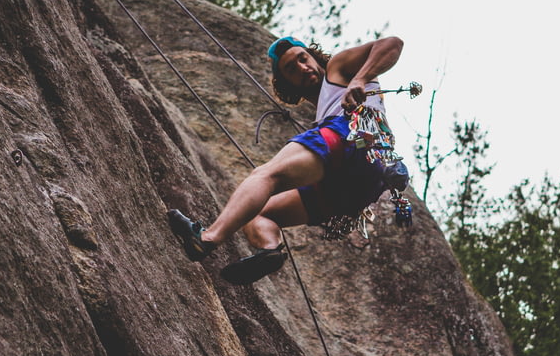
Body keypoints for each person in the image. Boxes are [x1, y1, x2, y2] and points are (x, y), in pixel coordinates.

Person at [168, 35, 406, 284]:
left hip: (352, 139)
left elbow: (392, 44)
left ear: (313, 57)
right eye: (291, 69)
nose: (302, 68)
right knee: (257, 212)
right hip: (359, 187)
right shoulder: (326, 104)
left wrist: (359, 78)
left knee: (266, 175)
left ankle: (207, 238)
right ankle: (269, 249)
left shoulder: (339, 68)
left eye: (303, 59)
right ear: (287, 83)